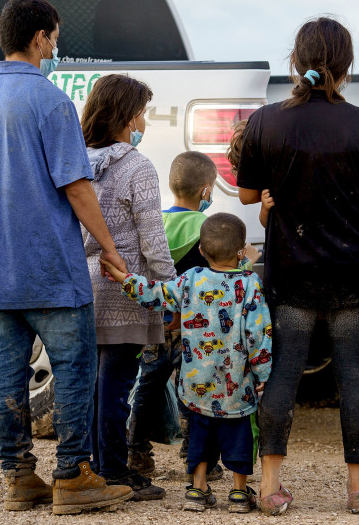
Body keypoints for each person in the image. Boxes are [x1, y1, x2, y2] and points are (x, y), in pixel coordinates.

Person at [237, 17, 359, 515]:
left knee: (284, 372)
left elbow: (249, 193)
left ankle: (270, 486)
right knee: (354, 375)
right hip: (354, 272)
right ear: (346, 65)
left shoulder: (266, 120)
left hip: (291, 270)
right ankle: (358, 491)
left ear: (295, 61)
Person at [0, 0, 133, 514]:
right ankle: (73, 478)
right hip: (51, 270)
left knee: (6, 377)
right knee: (75, 370)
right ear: (40, 39)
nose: (56, 46)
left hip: (0, 273)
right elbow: (77, 188)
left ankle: (17, 477)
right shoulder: (51, 102)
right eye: (55, 37)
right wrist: (111, 250)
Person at [101, 213, 272, 513]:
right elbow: (259, 333)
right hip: (237, 387)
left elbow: (156, 294)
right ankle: (238, 493)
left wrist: (123, 279)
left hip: (196, 386)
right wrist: (263, 372)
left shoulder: (191, 279)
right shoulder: (250, 285)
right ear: (242, 251)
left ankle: (198, 489)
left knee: (200, 436)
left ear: (203, 251)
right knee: (239, 436)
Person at [80, 74, 175, 500]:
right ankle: (117, 475)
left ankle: (95, 468)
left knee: (93, 385)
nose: (144, 122)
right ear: (126, 116)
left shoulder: (76, 162)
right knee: (117, 388)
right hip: (125, 291)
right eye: (142, 113)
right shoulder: (138, 167)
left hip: (82, 290)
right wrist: (171, 290)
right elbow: (153, 240)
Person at [229, 121, 359, 323]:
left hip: (353, 194)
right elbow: (267, 224)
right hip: (330, 234)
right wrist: (265, 209)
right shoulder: (275, 181)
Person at [127, 151, 224, 483]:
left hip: (157, 321)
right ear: (206, 191)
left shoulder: (158, 223)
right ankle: (198, 458)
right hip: (194, 327)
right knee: (196, 387)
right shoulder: (209, 227)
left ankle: (135, 450)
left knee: (149, 385)